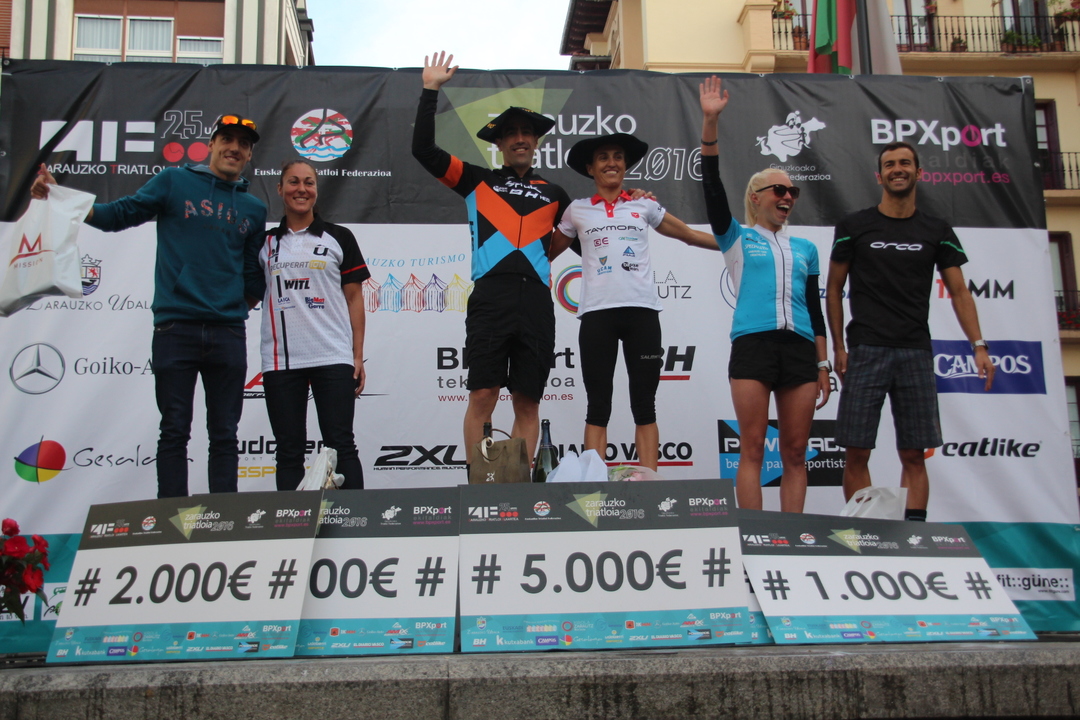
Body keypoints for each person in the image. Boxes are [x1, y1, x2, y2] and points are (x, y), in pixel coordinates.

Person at [31, 114, 267, 498]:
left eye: (244, 144)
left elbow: (253, 276)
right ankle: (171, 518)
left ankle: (224, 518)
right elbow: (117, 215)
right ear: (211, 144)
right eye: (227, 139)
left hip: (228, 332)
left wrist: (235, 306)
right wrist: (62, 198)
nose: (234, 148)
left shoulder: (254, 209)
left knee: (225, 432)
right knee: (174, 429)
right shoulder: (174, 181)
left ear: (249, 155)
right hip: (176, 328)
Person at [411, 51, 570, 462]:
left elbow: (588, 236)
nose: (519, 138)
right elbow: (423, 150)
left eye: (527, 132)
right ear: (498, 143)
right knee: (483, 393)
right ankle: (481, 481)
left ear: (536, 141)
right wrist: (430, 90)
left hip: (536, 301)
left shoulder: (556, 194)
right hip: (491, 296)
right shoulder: (476, 181)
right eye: (510, 133)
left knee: (528, 400)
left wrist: (629, 200)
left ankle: (516, 485)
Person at [826, 140, 994, 521]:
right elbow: (834, 289)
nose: (897, 169)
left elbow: (959, 291)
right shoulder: (854, 226)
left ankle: (913, 536)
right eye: (889, 165)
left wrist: (979, 345)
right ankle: (864, 535)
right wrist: (838, 347)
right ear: (879, 176)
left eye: (904, 163)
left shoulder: (937, 229)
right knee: (856, 451)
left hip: (916, 352)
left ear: (919, 172)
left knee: (914, 454)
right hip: (865, 349)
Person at [692, 76, 831, 512]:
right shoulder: (736, 237)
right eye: (779, 189)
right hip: (753, 345)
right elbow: (712, 186)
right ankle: (753, 538)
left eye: (793, 191)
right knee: (752, 447)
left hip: (800, 350)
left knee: (795, 452)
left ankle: (792, 537)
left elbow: (815, 310)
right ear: (756, 198)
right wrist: (710, 123)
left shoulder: (806, 248)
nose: (788, 196)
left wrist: (823, 363)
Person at [550, 133, 714, 471]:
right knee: (597, 407)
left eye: (618, 157)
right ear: (590, 168)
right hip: (597, 317)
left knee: (645, 406)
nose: (611, 163)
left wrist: (738, 244)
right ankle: (594, 486)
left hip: (642, 316)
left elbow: (688, 235)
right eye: (603, 157)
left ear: (625, 165)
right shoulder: (576, 210)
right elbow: (545, 254)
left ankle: (649, 485)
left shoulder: (644, 205)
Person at [259, 160, 369, 491]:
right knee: (288, 451)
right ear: (280, 189)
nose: (301, 189)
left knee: (341, 444)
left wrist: (357, 356)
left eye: (309, 182)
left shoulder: (339, 237)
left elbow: (355, 299)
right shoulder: (264, 243)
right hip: (281, 360)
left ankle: (354, 518)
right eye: (293, 182)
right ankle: (292, 521)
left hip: (332, 355)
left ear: (316, 190)